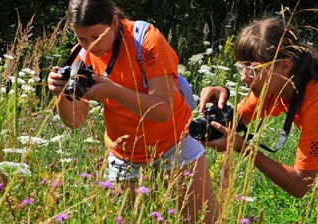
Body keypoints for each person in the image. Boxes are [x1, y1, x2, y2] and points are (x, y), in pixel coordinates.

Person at [47, 0, 217, 222]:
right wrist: (60, 95)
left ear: (115, 23)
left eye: (97, 36)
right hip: (125, 153)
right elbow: (75, 121)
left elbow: (163, 110)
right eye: (81, 38)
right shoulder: (80, 56)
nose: (90, 45)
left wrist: (113, 91)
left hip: (174, 142)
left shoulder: (146, 41)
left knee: (204, 220)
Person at [199, 17, 318, 223]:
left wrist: (242, 148)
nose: (244, 77)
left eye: (252, 69)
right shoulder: (275, 86)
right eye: (241, 67)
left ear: (285, 65)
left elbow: (300, 185)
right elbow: (237, 120)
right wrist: (221, 98)